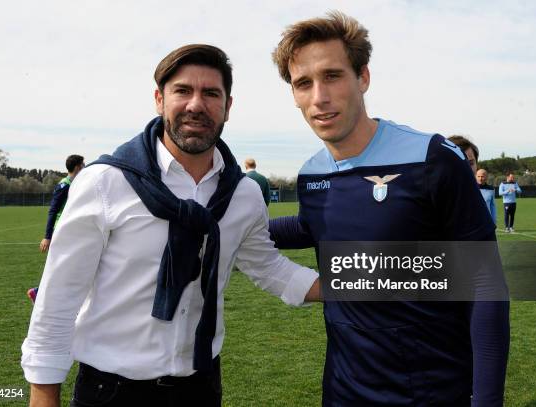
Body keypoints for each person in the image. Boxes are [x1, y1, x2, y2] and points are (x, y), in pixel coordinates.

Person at [21, 44, 320, 407]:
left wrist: (366, 278)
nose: (196, 104)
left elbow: (268, 267)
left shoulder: (243, 194)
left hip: (201, 386)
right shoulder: (105, 182)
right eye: (183, 91)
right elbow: (58, 298)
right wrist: (43, 393)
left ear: (228, 106)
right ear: (159, 100)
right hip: (111, 392)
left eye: (211, 93)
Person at [269, 11, 509, 406]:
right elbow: (315, 226)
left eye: (332, 76)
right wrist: (230, 226)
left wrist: (486, 400)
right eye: (303, 83)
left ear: (363, 77)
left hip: (432, 391)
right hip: (343, 392)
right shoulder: (312, 173)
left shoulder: (431, 158)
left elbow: (484, 284)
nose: (319, 97)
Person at [27, 155, 85, 303]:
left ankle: (42, 293)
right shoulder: (64, 185)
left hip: (71, 229)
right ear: (78, 167)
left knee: (71, 264)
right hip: (63, 230)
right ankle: (38, 292)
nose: (84, 167)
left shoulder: (76, 184)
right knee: (66, 264)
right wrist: (47, 236)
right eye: (83, 165)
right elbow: (53, 210)